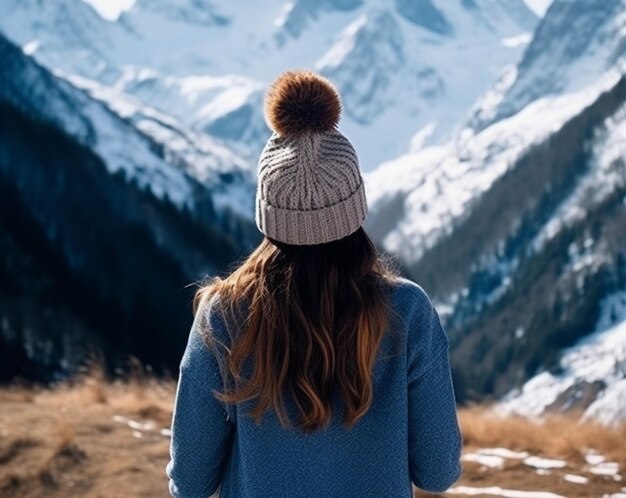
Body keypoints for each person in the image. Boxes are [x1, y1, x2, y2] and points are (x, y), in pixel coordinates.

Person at [165, 70, 463, 497]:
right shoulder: (407, 311)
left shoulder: (223, 315)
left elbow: (191, 481)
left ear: (268, 214)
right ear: (354, 208)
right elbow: (437, 472)